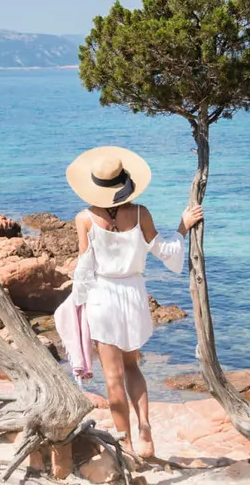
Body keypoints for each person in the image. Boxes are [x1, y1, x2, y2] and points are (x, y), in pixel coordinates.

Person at [57, 145, 204, 460]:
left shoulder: (84, 218)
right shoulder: (140, 213)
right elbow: (164, 251)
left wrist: (76, 299)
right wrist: (183, 226)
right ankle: (146, 429)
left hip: (102, 298)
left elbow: (84, 267)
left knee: (111, 377)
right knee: (132, 366)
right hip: (134, 296)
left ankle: (123, 442)